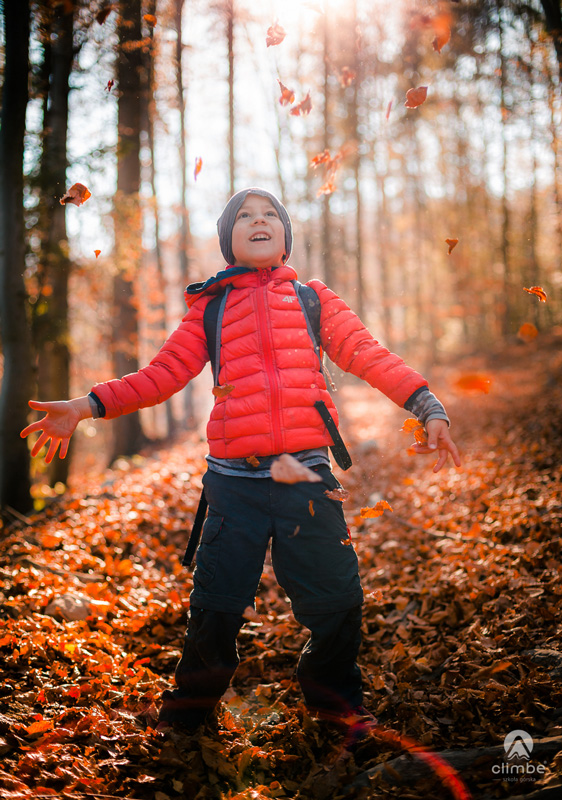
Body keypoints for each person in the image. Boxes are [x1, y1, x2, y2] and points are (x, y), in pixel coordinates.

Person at [21, 188, 460, 736]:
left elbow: (368, 354)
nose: (259, 221)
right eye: (245, 216)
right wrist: (88, 405)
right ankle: (188, 717)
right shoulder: (212, 307)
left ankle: (335, 706)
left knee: (338, 601)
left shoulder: (313, 299)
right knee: (217, 608)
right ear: (229, 240)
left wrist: (426, 404)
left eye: (270, 214)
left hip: (308, 477)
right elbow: (162, 376)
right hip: (234, 485)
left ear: (284, 235)